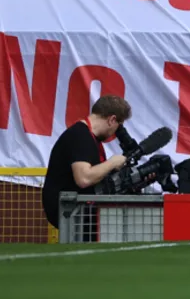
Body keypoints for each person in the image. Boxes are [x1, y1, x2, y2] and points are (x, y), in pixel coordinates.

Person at [40, 95, 132, 229]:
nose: (116, 132)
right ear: (112, 120)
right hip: (69, 211)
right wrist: (112, 162)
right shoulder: (80, 136)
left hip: (76, 209)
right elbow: (84, 178)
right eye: (119, 125)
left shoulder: (88, 137)